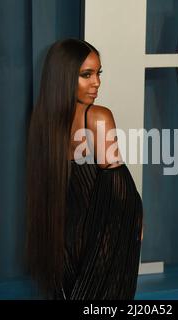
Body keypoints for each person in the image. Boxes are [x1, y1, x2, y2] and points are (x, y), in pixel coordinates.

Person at [25, 38, 143, 300]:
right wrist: (137, 214)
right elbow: (116, 180)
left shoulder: (41, 121)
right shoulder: (98, 116)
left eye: (98, 73)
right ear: (64, 76)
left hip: (62, 238)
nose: (96, 82)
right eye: (86, 74)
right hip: (99, 235)